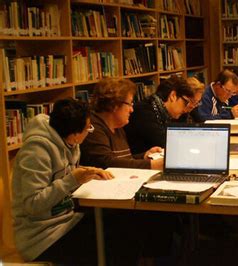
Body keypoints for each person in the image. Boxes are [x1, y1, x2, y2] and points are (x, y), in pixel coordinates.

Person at [11, 98, 113, 263]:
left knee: (117, 224)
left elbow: (63, 173)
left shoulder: (68, 141)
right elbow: (32, 204)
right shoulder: (36, 151)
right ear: (74, 134)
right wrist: (72, 180)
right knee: (110, 242)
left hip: (66, 222)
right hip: (40, 238)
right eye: (88, 128)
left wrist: (87, 172)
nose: (89, 131)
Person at [80, 78, 163, 169]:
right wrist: (151, 165)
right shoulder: (93, 129)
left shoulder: (118, 126)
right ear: (114, 105)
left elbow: (122, 160)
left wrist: (144, 156)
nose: (132, 109)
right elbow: (106, 163)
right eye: (130, 103)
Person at [125, 75, 198, 154]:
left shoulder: (165, 113)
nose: (186, 108)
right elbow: (167, 144)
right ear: (173, 96)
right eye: (186, 102)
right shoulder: (144, 112)